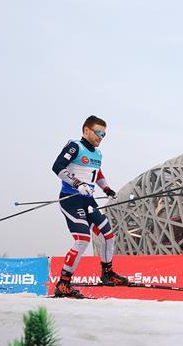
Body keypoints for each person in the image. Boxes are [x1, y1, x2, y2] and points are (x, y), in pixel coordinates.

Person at [50, 115, 128, 298]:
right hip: (71, 198)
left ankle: (107, 274)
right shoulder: (75, 146)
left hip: (88, 200)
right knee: (83, 240)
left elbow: (97, 173)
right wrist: (77, 183)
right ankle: (63, 284)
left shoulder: (98, 154)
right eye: (98, 132)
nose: (101, 136)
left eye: (104, 134)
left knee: (109, 235)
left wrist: (107, 188)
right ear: (86, 130)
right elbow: (57, 166)